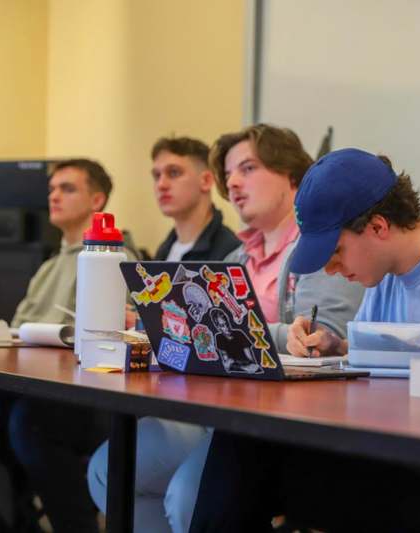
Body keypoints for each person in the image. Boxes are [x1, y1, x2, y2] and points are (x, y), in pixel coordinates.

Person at [190, 148, 420, 533]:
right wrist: (341, 349)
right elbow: (382, 368)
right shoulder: (384, 274)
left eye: (336, 251)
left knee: (250, 458)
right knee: (245, 435)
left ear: (378, 226)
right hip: (392, 456)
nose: (331, 268)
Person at [87, 125, 364, 532]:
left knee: (187, 498)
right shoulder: (234, 256)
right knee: (106, 470)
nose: (232, 182)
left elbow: (321, 340)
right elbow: (205, 336)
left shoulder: (319, 249)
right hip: (212, 409)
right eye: (229, 174)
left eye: (248, 168)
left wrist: (234, 332)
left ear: (291, 175)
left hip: (271, 424)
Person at [0, 158, 133, 533]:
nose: (54, 196)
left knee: (28, 424)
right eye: (52, 189)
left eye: (68, 188)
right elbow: (16, 328)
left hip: (88, 398)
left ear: (97, 200)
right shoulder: (48, 266)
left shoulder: (114, 259)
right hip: (38, 385)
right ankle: (2, 519)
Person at [150, 136, 240, 261]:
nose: (161, 184)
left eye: (174, 173)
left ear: (206, 180)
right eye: (156, 175)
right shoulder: (164, 250)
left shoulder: (230, 252)